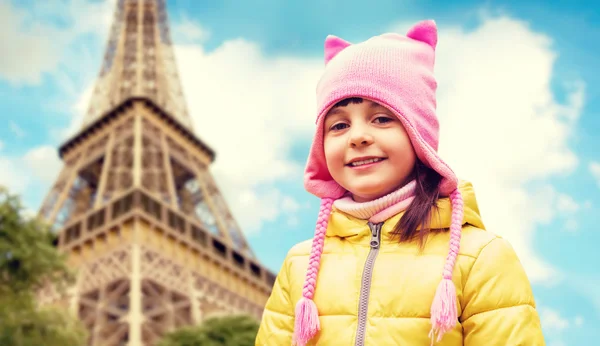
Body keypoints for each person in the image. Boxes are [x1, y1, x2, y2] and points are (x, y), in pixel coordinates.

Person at [255, 19, 545, 346]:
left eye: (381, 118)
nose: (358, 136)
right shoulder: (301, 263)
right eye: (338, 125)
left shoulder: (481, 257)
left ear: (419, 134)